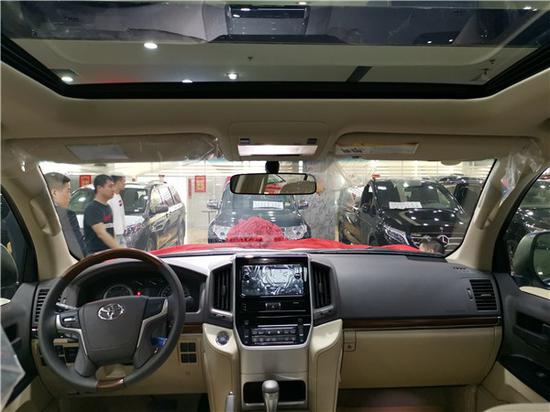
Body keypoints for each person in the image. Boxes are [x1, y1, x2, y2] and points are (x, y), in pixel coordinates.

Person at [44, 172, 87, 258]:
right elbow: (78, 250)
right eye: (68, 191)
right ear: (54, 193)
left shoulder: (35, 214)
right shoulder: (67, 215)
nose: (70, 197)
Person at [84, 175, 120, 254]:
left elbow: (111, 231)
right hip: (96, 255)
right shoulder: (92, 208)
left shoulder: (108, 207)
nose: (113, 189)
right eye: (110, 186)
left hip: (108, 253)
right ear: (99, 188)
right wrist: (119, 250)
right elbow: (101, 233)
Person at [107, 175, 127, 247]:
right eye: (123, 181)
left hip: (120, 233)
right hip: (114, 234)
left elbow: (121, 214)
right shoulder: (110, 198)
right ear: (118, 182)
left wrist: (124, 228)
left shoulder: (118, 196)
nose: (124, 183)